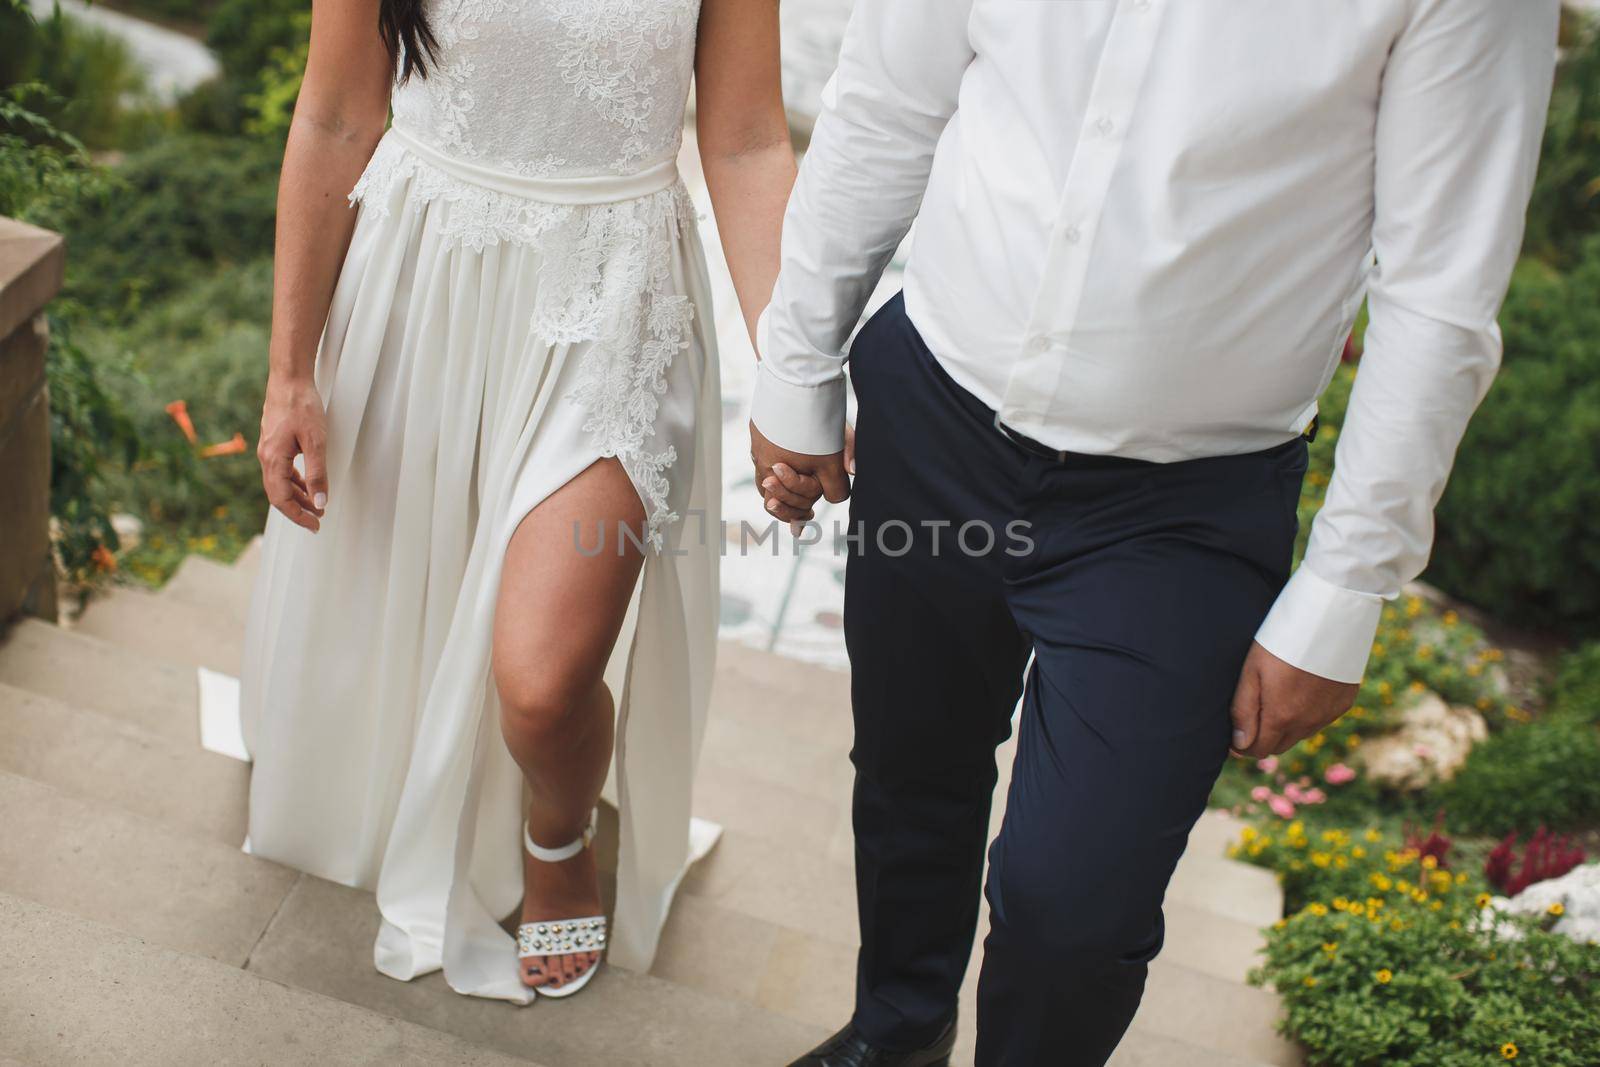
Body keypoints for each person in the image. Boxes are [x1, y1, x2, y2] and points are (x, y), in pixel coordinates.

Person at [750, 1, 1560, 1063]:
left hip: (1182, 506)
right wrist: (800, 358)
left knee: (1073, 903)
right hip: (938, 414)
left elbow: (1437, 289)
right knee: (910, 773)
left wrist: (1348, 586)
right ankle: (896, 1028)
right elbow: (889, 101)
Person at [241, 0, 793, 1002]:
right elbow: (332, 113)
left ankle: (559, 830)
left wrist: (794, 371)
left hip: (618, 302)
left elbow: (750, 140)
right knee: (404, 589)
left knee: (541, 681)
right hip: (420, 282)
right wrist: (290, 373)